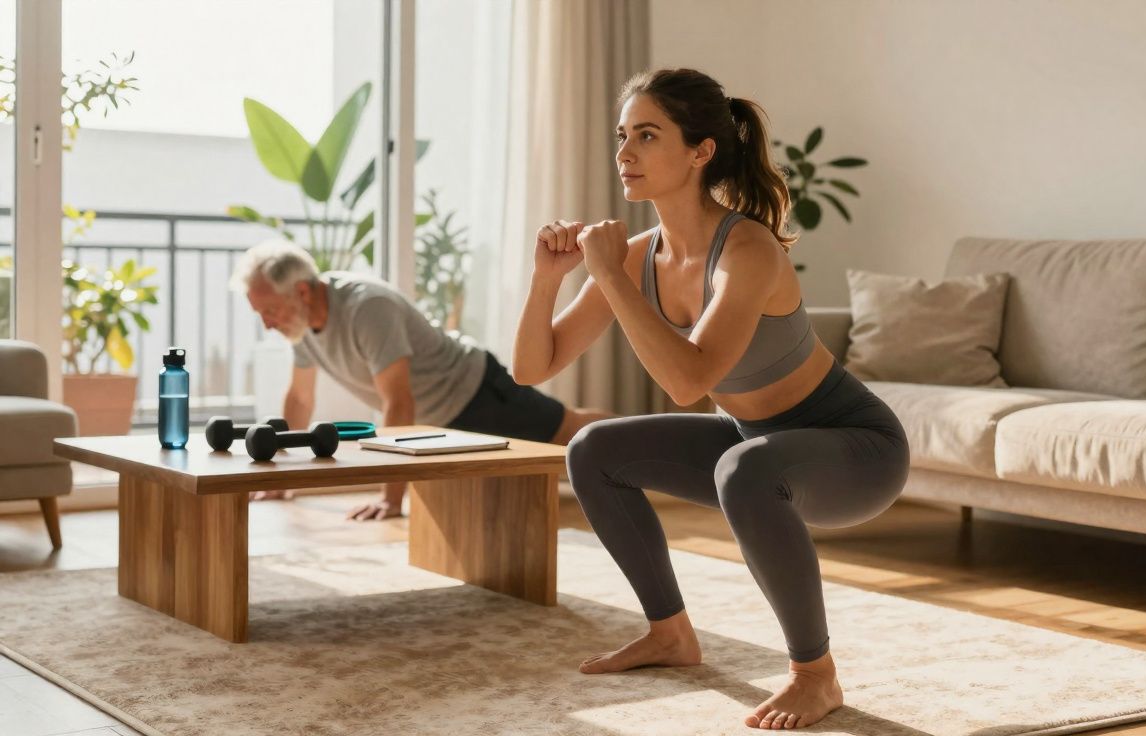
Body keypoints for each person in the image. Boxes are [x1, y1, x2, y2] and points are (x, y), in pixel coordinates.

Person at [511, 68, 909, 730]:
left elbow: (688, 380)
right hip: (754, 443)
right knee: (594, 449)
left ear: (701, 152)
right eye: (622, 136)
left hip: (856, 449)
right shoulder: (640, 255)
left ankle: (817, 676)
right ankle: (670, 634)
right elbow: (533, 367)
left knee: (746, 470)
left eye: (647, 135)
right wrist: (546, 281)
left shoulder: (746, 249)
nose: (624, 154)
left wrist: (607, 274)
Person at [231, 241, 611, 520]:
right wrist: (281, 479)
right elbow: (299, 399)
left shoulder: (366, 308)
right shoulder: (300, 327)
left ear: (300, 291)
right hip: (434, 422)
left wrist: (392, 499)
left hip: (474, 391)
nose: (267, 323)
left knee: (569, 431)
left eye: (270, 310)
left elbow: (399, 401)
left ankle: (637, 440)